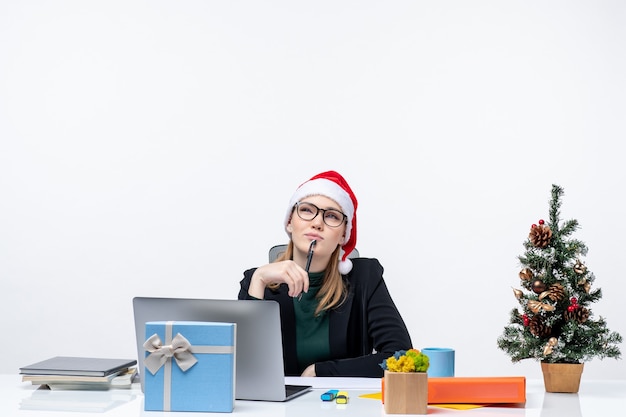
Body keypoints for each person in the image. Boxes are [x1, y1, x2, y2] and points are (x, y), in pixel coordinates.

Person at [238, 170, 412, 377]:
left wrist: (320, 371)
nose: (317, 223)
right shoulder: (256, 280)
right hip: (275, 408)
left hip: (342, 404)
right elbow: (243, 367)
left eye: (331, 216)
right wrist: (259, 280)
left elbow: (400, 357)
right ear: (289, 222)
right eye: (306, 210)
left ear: (342, 235)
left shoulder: (366, 277)